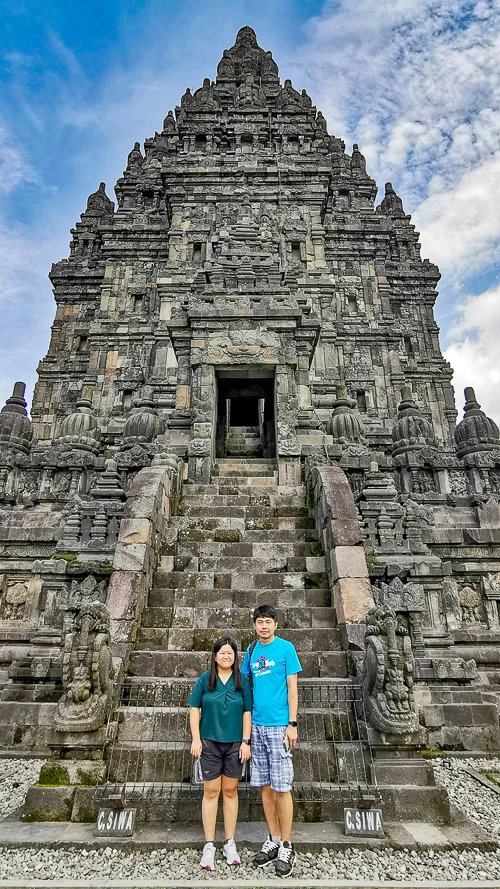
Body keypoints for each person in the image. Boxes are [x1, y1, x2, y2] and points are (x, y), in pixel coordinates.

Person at [241, 604, 302, 877]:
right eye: (259, 622)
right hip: (257, 726)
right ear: (254, 625)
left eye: (268, 621)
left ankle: (288, 844)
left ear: (276, 624)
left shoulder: (286, 649)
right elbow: (244, 687)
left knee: (282, 786)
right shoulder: (251, 651)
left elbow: (292, 688)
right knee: (265, 786)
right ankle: (273, 839)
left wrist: (292, 724)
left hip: (279, 726)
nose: (263, 626)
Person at [188, 635, 252, 871]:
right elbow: (194, 708)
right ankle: (209, 844)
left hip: (235, 743)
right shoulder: (206, 679)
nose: (226, 656)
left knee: (231, 790)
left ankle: (229, 841)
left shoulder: (242, 681)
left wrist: (246, 741)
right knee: (211, 791)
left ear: (235, 657)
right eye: (222, 652)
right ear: (215, 656)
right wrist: (196, 738)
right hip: (210, 742)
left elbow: (247, 712)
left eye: (230, 653)